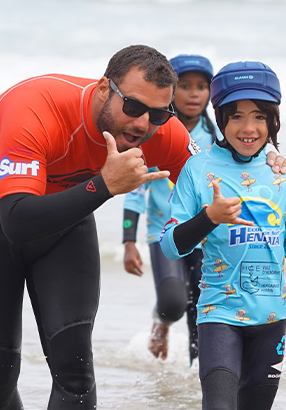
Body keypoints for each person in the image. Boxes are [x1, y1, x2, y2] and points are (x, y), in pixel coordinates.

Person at [0, 45, 286, 410]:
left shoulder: (163, 132)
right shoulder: (35, 107)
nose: (142, 124)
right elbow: (17, 220)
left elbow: (225, 195)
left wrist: (264, 161)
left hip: (66, 223)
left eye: (159, 114)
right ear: (103, 90)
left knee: (75, 372)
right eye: (132, 107)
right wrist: (104, 185)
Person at [160, 61, 286, 409]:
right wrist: (210, 217)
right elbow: (170, 245)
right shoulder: (198, 169)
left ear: (273, 120)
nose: (248, 128)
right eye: (236, 116)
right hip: (218, 315)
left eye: (259, 116)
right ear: (221, 118)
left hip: (272, 320)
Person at [122, 54, 220, 364]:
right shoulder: (153, 134)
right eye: (186, 86)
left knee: (201, 309)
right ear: (170, 91)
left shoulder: (218, 140)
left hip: (204, 235)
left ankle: (198, 378)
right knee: (174, 301)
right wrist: (128, 241)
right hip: (163, 234)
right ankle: (161, 323)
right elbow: (136, 191)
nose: (194, 94)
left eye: (202, 87)